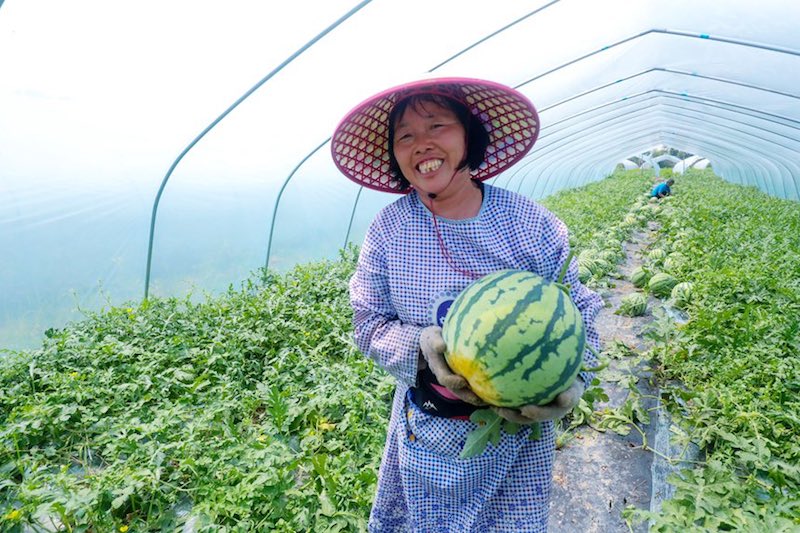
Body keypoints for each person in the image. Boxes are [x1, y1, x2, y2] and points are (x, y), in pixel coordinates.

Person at [330, 77, 603, 532]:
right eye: (405, 136)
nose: (422, 144)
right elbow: (368, 322)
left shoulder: (531, 224)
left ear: (468, 137)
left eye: (437, 125)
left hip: (517, 441)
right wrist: (421, 349)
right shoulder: (389, 232)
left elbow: (582, 314)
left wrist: (572, 381)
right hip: (429, 431)